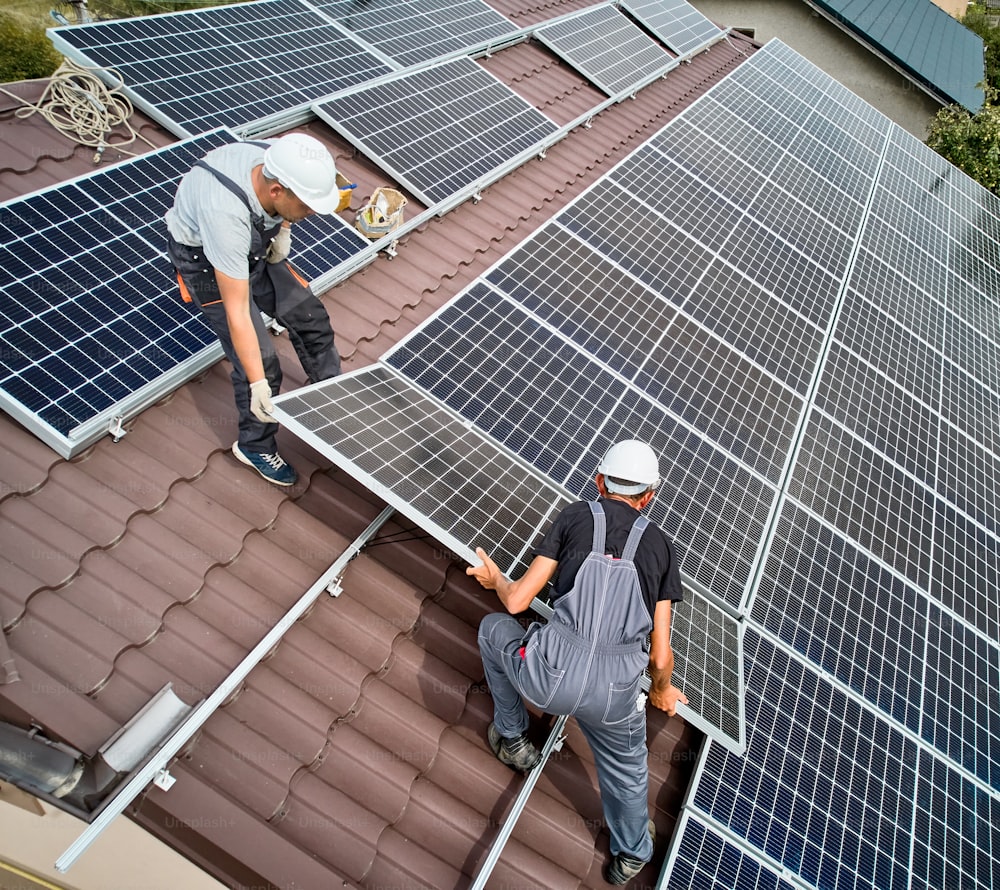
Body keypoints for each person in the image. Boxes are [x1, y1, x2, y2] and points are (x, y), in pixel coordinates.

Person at [467, 440, 688, 886]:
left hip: (547, 675)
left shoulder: (573, 517)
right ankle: (631, 853)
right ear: (650, 496)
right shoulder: (662, 548)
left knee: (494, 631)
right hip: (613, 698)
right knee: (627, 769)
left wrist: (495, 579)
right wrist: (662, 690)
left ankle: (513, 740)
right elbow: (661, 655)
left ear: (599, 481)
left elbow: (518, 601)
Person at [166, 132, 344, 486]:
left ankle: (330, 400)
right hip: (204, 259)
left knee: (312, 320)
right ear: (277, 192)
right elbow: (237, 313)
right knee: (259, 364)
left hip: (255, 237)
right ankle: (254, 445)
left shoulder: (277, 157)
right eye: (307, 206)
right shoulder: (225, 216)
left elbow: (284, 205)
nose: (311, 213)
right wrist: (260, 383)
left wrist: (283, 229)